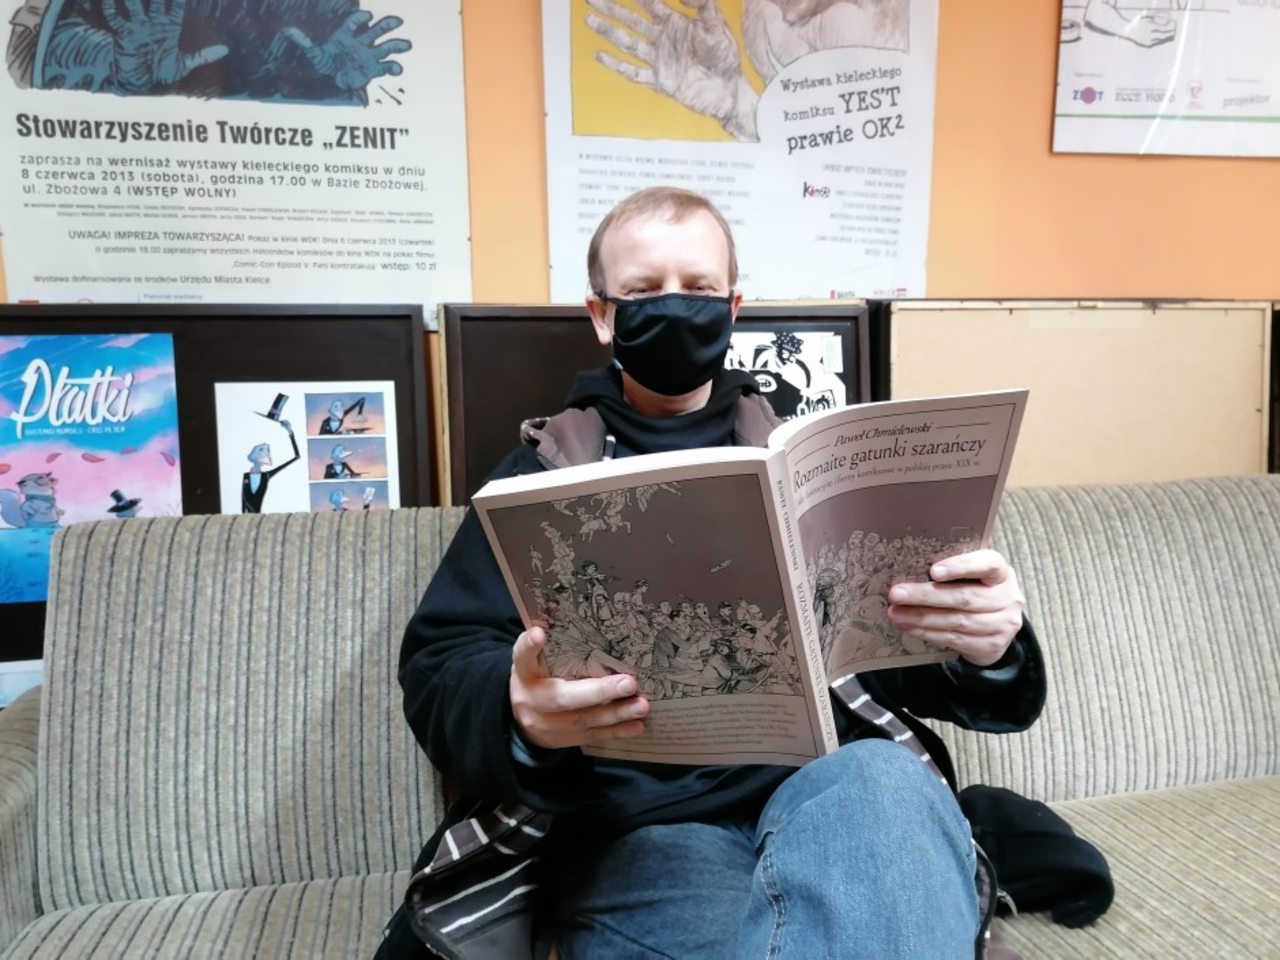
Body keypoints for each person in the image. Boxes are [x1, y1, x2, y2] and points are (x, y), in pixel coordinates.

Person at [382, 186, 1045, 959]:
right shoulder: (537, 480)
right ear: (602, 315)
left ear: (732, 307)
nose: (675, 306)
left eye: (697, 288)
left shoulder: (812, 466)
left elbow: (889, 645)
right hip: (643, 830)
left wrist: (989, 646)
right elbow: (438, 665)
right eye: (643, 291)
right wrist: (516, 710)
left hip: (831, 791)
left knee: (888, 781)